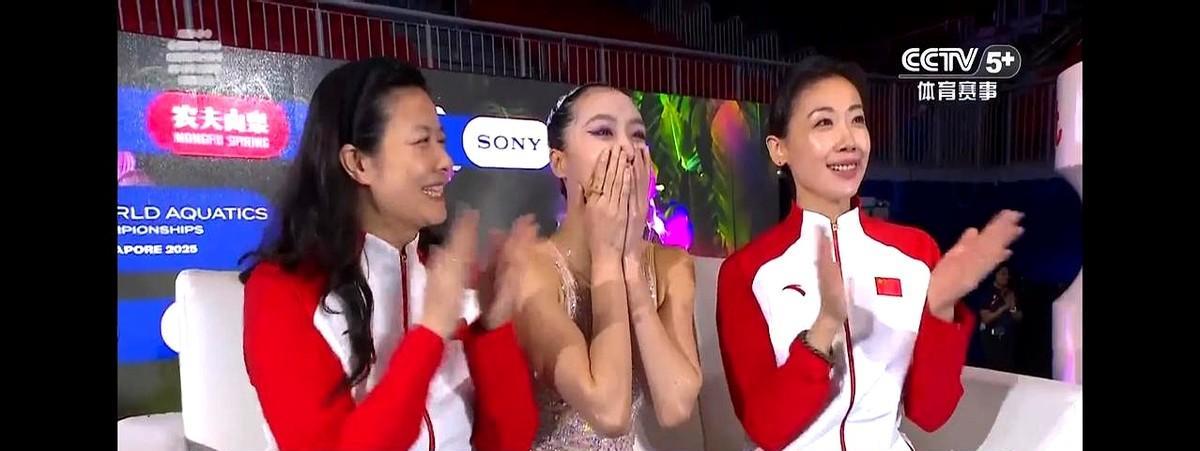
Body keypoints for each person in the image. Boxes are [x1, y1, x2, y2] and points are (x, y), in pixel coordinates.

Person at [715, 56, 1025, 451]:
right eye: (824, 123)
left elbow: (931, 413)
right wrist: (824, 328)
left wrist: (942, 306)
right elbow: (765, 428)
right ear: (780, 149)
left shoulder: (915, 253)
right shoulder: (747, 271)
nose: (849, 140)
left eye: (857, 119)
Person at [239, 57, 538, 451]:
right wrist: (430, 333)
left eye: (441, 141)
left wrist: (493, 327)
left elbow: (511, 441)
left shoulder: (447, 272)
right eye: (421, 142)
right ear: (358, 163)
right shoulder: (281, 292)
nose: (446, 162)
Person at [513, 83, 703, 450]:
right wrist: (605, 257)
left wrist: (629, 263)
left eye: (638, 135)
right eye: (603, 132)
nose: (627, 150)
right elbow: (609, 412)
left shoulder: (671, 264)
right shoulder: (530, 268)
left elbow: (675, 405)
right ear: (559, 162)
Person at [979, 265, 1023, 372]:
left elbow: (1018, 317)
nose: (1006, 277)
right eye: (1003, 274)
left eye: (1007, 274)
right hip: (991, 334)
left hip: (1009, 338)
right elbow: (986, 318)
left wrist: (1012, 306)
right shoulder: (987, 293)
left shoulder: (1010, 293)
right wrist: (1004, 307)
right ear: (996, 275)